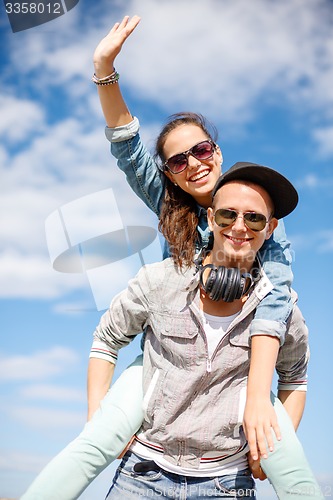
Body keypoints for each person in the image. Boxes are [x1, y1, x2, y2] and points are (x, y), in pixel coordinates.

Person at [20, 16, 321, 500]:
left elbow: (275, 308)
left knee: (279, 444)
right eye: (178, 161)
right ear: (171, 176)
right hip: (164, 358)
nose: (194, 164)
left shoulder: (258, 217)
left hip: (234, 368)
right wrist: (103, 67)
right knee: (94, 441)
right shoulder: (170, 209)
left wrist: (259, 412)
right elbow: (125, 143)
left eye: (201, 149)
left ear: (217, 151)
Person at [91, 162, 321, 499]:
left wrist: (267, 449)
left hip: (228, 485)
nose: (240, 227)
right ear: (211, 218)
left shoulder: (285, 313)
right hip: (140, 478)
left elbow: (296, 379)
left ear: (270, 228)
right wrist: (100, 420)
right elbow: (106, 339)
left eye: (254, 218)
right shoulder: (160, 282)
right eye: (228, 215)